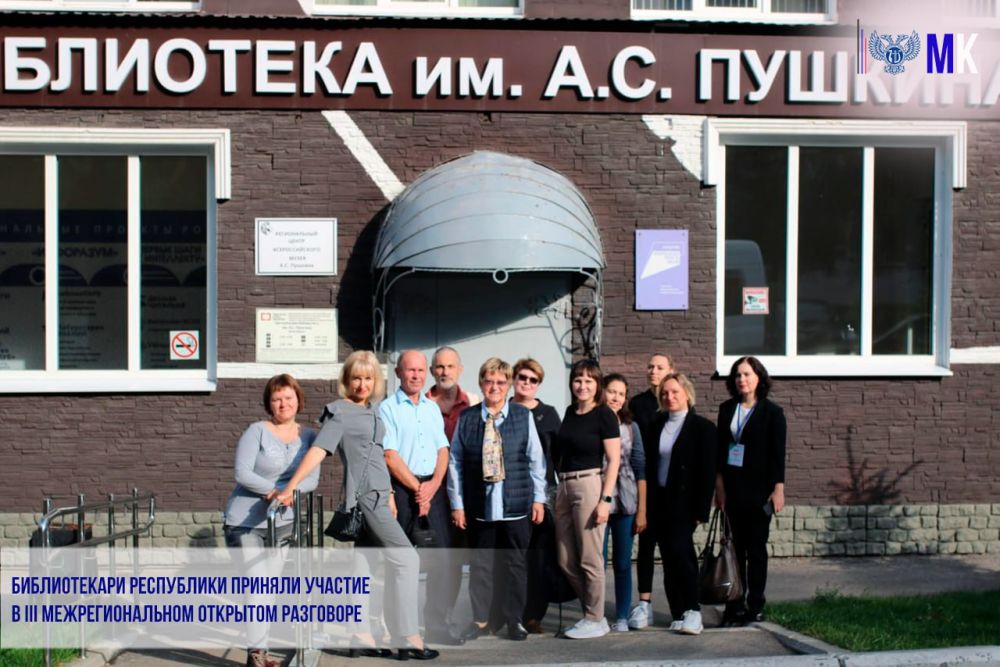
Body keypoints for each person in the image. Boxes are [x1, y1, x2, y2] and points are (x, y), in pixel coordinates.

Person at [278, 351, 438, 660]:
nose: (362, 384)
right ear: (346, 380)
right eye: (356, 378)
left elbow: (376, 455)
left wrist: (389, 493)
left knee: (364, 563)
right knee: (407, 559)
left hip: (380, 494)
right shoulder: (340, 412)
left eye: (368, 378)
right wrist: (291, 486)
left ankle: (360, 634)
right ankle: (408, 636)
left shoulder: (372, 410)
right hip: (365, 496)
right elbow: (319, 450)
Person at [223, 374, 319, 667]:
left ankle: (258, 652)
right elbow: (242, 473)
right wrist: (275, 492)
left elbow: (312, 478)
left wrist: (289, 493)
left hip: (283, 523)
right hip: (245, 522)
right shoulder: (257, 432)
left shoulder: (310, 437)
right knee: (258, 585)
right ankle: (257, 656)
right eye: (277, 399)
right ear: (269, 403)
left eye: (288, 397)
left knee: (268, 589)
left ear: (298, 400)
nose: (283, 403)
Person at [448, 357, 547, 641]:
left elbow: (536, 460)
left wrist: (539, 499)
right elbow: (455, 462)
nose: (495, 387)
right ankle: (480, 621)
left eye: (501, 382)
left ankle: (514, 620)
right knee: (481, 567)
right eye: (489, 381)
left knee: (515, 565)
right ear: (481, 383)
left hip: (516, 506)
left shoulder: (522, 416)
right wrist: (457, 504)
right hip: (480, 507)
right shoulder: (468, 418)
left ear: (509, 385)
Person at [380, 350, 464, 645]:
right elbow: (389, 455)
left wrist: (435, 484)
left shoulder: (431, 408)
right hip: (403, 490)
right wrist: (418, 489)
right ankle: (399, 630)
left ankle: (438, 625)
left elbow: (443, 449)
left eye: (419, 370)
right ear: (399, 373)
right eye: (409, 370)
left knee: (443, 560)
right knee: (400, 562)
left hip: (433, 489)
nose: (415, 375)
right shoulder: (387, 408)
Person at [715, 356, 786, 626]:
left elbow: (777, 454)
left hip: (759, 492)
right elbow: (720, 451)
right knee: (734, 551)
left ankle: (755, 605)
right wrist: (719, 487)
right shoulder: (726, 409)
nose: (741, 379)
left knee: (756, 550)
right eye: (737, 375)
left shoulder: (772, 413)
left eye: (747, 374)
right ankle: (733, 604)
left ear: (759, 378)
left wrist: (778, 488)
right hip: (732, 491)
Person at [552, 359, 620, 639]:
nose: (582, 385)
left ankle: (595, 618)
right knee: (565, 559)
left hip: (589, 485)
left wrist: (605, 499)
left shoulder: (604, 415)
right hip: (564, 487)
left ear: (598, 384)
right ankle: (592, 613)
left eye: (589, 380)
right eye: (578, 379)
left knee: (590, 558)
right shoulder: (570, 412)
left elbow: (614, 460)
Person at [649, 373, 716, 636]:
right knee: (667, 556)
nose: (670, 397)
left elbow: (707, 472)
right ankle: (677, 613)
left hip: (685, 502)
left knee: (681, 553)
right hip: (660, 499)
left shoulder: (703, 428)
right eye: (665, 393)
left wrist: (701, 509)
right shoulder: (656, 424)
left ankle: (693, 610)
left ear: (687, 393)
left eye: (675, 392)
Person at [510, 357, 562, 633]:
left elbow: (560, 456)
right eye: (522, 377)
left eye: (533, 380)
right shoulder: (503, 409)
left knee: (539, 557)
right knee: (512, 557)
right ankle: (509, 612)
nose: (527, 383)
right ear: (513, 379)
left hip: (544, 493)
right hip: (510, 493)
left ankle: (534, 615)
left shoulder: (549, 414)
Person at [628, 353, 674, 629]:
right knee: (645, 546)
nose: (653, 371)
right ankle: (644, 604)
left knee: (672, 549)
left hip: (671, 487)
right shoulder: (638, 404)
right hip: (645, 484)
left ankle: (678, 605)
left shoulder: (677, 400)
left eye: (659, 367)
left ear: (671, 370)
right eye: (650, 366)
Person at [600, 373, 647, 633]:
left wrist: (642, 510)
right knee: (596, 562)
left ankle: (621, 616)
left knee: (622, 563)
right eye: (612, 391)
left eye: (621, 393)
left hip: (627, 503)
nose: (616, 398)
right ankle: (594, 614)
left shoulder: (631, 427)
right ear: (602, 392)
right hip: (599, 502)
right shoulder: (593, 421)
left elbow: (640, 467)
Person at [426, 346, 481, 441]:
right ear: (431, 371)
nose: (445, 373)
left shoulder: (473, 402)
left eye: (450, 366)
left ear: (460, 369)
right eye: (440, 367)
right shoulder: (421, 404)